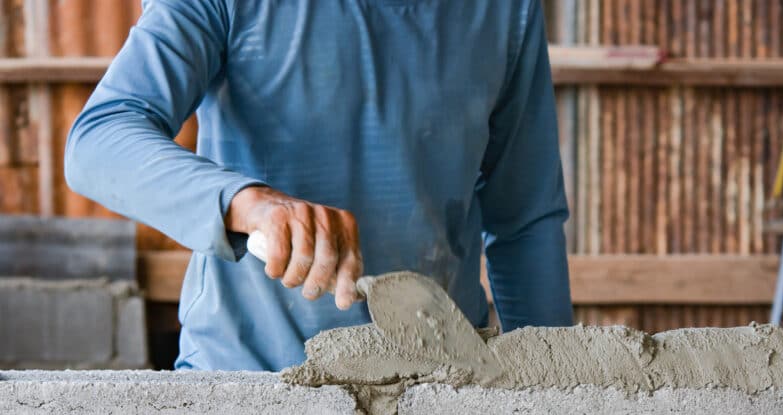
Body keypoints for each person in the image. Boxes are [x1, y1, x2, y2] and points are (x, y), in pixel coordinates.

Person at [65, 0, 573, 371]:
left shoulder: (505, 11)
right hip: (247, 386)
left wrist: (553, 396)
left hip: (442, 389)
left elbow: (524, 222)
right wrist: (248, 204)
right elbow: (99, 140)